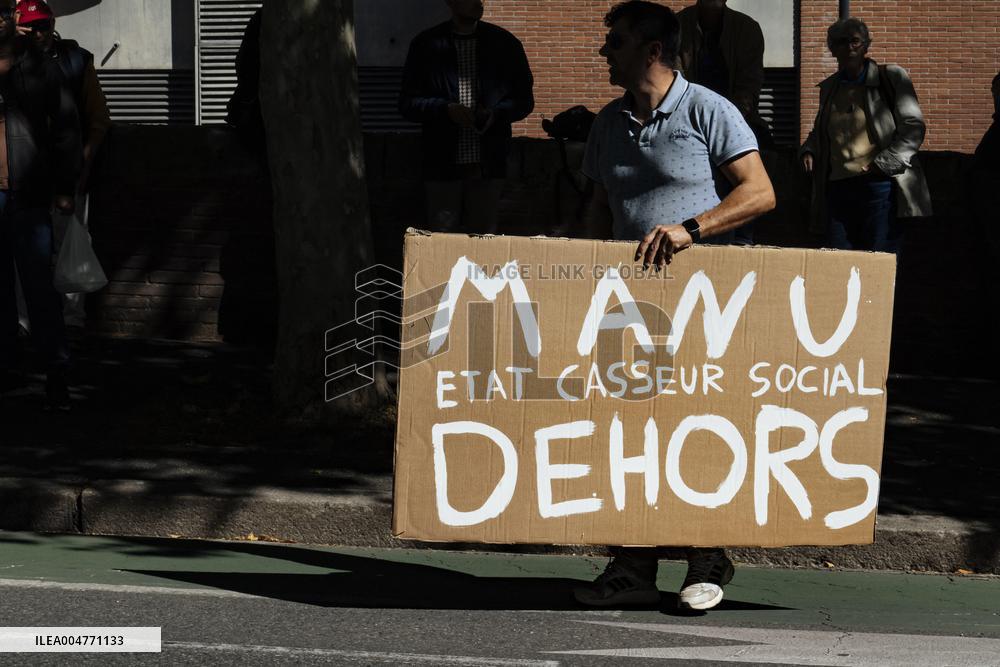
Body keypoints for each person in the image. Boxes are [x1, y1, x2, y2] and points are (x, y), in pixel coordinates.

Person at [574, 1, 774, 611]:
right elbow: (593, 208)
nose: (605, 52)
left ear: (652, 51)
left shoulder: (710, 109)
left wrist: (693, 227)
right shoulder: (608, 122)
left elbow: (761, 192)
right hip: (626, 305)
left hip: (704, 305)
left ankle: (707, 557)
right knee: (628, 431)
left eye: (617, 42)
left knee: (698, 427)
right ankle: (632, 566)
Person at [0, 0, 81, 408]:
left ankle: (56, 369)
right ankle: (8, 366)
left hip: (26, 190)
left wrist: (65, 186)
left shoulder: (40, 68)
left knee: (38, 286)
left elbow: (67, 128)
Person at [399, 0, 534, 234]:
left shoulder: (504, 44)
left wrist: (497, 114)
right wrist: (445, 110)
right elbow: (407, 103)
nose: (478, 3)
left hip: (488, 164)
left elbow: (524, 100)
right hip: (442, 164)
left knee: (484, 243)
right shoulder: (426, 45)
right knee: (441, 241)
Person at [800, 17, 931, 252]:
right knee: (838, 260)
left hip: (879, 185)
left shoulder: (890, 77)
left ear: (866, 45)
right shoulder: (830, 88)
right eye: (841, 42)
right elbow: (822, 130)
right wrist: (809, 149)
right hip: (838, 187)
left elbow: (913, 127)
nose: (849, 47)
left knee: (878, 259)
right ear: (832, 49)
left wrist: (883, 164)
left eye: (855, 41)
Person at [16, 1, 109, 194]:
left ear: (53, 23)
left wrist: (82, 168)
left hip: (68, 176)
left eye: (43, 26)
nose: (38, 34)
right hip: (24, 178)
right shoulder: (12, 63)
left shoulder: (76, 60)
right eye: (31, 28)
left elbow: (98, 118)